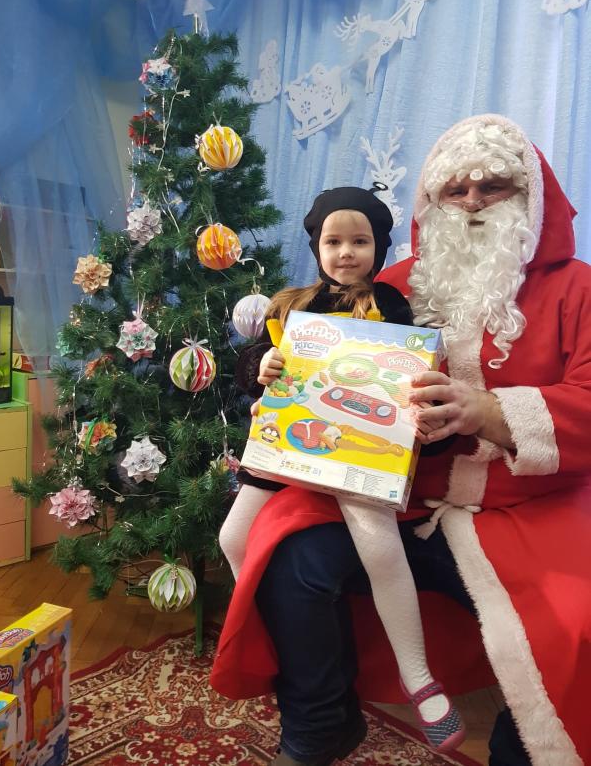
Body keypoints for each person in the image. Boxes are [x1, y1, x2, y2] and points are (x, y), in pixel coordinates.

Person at [211, 114, 591, 766]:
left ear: (529, 194)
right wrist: (269, 376)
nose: (472, 202)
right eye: (455, 189)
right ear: (432, 200)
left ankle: (523, 752)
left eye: (492, 186)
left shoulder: (577, 288)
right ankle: (321, 726)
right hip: (398, 498)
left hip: (525, 510)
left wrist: (488, 411)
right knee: (288, 559)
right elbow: (312, 372)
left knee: (577, 619)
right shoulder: (390, 286)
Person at [219, 187, 464, 758]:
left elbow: (410, 368)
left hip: (356, 450)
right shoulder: (292, 304)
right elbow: (252, 367)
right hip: (287, 445)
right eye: (333, 241)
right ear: (316, 247)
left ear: (379, 248)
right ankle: (269, 641)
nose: (346, 252)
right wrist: (262, 366)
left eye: (360, 241)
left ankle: (418, 676)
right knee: (232, 536)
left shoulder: (390, 304)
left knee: (378, 544)